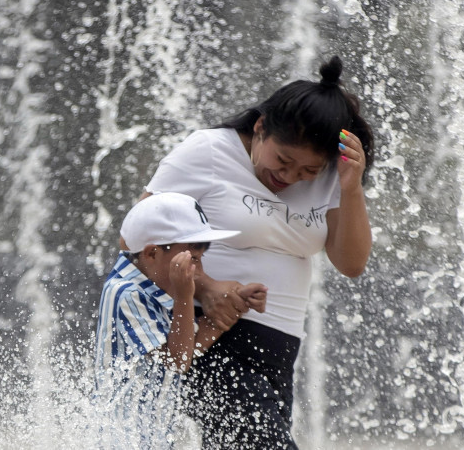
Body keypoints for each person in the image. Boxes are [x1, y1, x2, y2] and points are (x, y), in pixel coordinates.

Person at [138, 55, 375, 449]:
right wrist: (205, 287)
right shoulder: (210, 151)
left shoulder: (335, 176)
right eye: (283, 160)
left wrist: (350, 188)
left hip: (278, 351)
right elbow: (138, 237)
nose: (288, 177)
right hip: (212, 334)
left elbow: (351, 263)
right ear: (261, 127)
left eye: (306, 172)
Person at [93, 191, 268, 448]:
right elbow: (178, 360)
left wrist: (233, 308)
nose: (197, 271)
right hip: (122, 439)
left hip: (154, 437)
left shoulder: (156, 289)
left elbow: (190, 345)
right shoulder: (125, 293)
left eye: (199, 260)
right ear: (152, 253)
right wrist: (186, 296)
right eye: (191, 259)